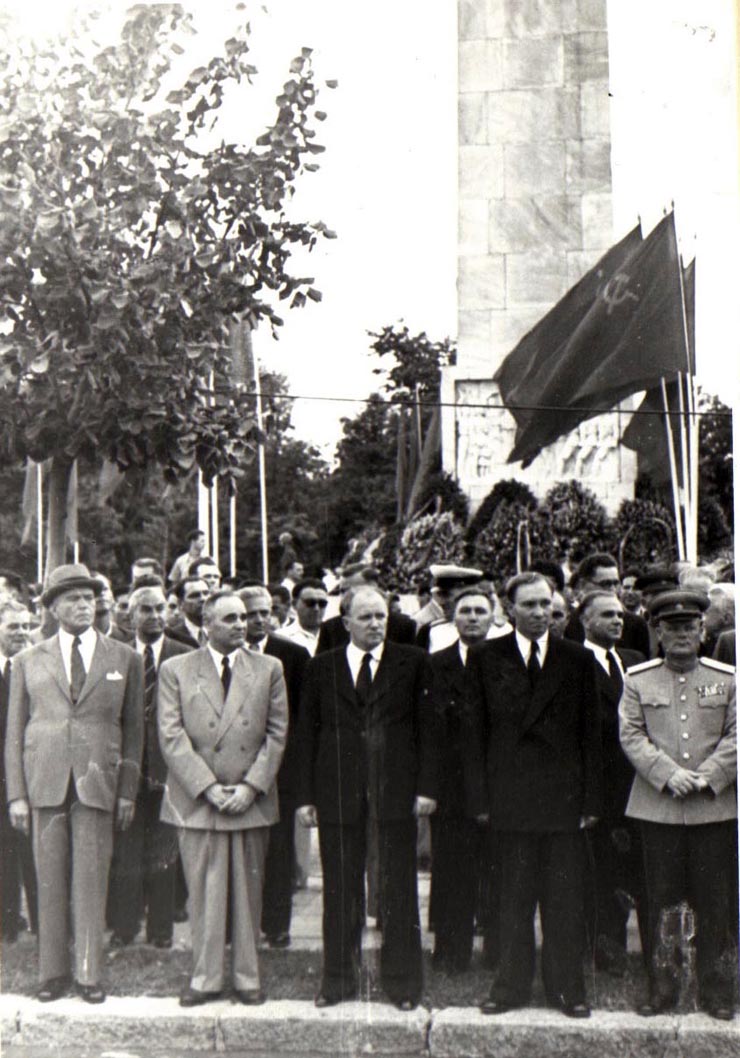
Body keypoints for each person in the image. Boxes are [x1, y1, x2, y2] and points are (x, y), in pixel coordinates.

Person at [5, 564, 143, 1004]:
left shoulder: (124, 657)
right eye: (72, 599)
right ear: (51, 608)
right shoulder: (29, 660)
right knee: (48, 881)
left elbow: (134, 732)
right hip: (44, 782)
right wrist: (16, 796)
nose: (84, 605)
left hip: (97, 783)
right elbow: (13, 733)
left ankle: (88, 974)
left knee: (90, 878)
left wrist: (126, 790)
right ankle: (52, 974)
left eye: (89, 598)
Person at [465, 572, 601, 1018]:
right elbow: (474, 735)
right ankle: (510, 987)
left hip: (563, 803)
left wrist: (590, 803)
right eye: (530, 605)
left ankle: (567, 989)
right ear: (509, 610)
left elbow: (592, 736)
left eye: (546, 604)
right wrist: (480, 800)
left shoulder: (577, 659)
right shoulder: (486, 657)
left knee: (564, 901)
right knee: (512, 901)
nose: (541, 613)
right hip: (510, 801)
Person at [296, 585, 437, 1009]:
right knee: (340, 891)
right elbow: (307, 735)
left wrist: (426, 788)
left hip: (394, 792)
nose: (376, 624)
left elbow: (429, 731)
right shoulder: (321, 669)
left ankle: (402, 984)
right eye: (367, 617)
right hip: (338, 793)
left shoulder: (412, 663)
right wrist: (305, 798)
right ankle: (338, 979)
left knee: (397, 891)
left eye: (382, 616)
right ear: (346, 622)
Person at [158, 590, 288, 1006]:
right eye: (230, 618)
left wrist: (251, 786)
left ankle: (248, 977)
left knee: (249, 894)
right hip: (198, 799)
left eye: (244, 618)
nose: (241, 624)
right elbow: (171, 735)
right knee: (204, 892)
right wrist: (208, 786)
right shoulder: (176, 670)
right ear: (207, 624)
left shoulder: (269, 668)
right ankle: (205, 978)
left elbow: (277, 733)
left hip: (250, 798)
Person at [619, 589, 737, 1021]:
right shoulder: (639, 679)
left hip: (714, 807)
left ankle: (717, 989)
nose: (682, 635)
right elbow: (631, 734)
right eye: (672, 628)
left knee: (715, 901)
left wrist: (707, 776)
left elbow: (737, 735)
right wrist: (669, 774)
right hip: (659, 807)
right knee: (661, 900)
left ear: (702, 631)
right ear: (658, 633)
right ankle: (663, 986)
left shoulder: (728, 678)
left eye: (690, 627)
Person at [106, 585, 191, 948]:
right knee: (125, 850)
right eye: (146, 610)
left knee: (164, 852)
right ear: (131, 614)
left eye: (160, 609)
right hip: (126, 769)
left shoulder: (185, 655)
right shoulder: (117, 656)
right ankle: (125, 928)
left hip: (168, 769)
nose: (155, 616)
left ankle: (161, 931)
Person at [238, 585, 310, 948]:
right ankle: (239, 924)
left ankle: (277, 924)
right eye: (251, 614)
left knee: (279, 851)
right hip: (234, 770)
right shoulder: (227, 655)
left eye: (265, 612)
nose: (259, 619)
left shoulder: (293, 656)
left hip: (280, 771)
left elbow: (302, 718)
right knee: (239, 850)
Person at [579, 590, 646, 973]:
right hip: (601, 786)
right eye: (607, 615)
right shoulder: (574, 662)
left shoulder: (635, 662)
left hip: (637, 782)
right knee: (602, 874)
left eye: (620, 615)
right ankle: (607, 951)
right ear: (586, 620)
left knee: (632, 871)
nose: (617, 621)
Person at [429, 588, 493, 973]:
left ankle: (497, 951)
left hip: (496, 784)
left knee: (497, 870)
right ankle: (451, 950)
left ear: (492, 617)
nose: (472, 618)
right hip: (451, 787)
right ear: (454, 618)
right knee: (452, 870)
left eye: (480, 611)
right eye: (465, 611)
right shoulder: (435, 665)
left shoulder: (506, 662)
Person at [0, 597, 37, 943]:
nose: (22, 633)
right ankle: (7, 925)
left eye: (27, 626)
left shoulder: (36, 665)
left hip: (31, 775)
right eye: (14, 626)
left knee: (34, 853)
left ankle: (43, 925)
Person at [565, 553, 650, 657]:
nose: (612, 590)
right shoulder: (567, 623)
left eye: (616, 583)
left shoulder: (635, 625)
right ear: (583, 585)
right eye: (605, 584)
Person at [316, 565, 416, 653]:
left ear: (373, 587)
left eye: (347, 590)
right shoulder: (330, 629)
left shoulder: (404, 626)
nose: (343, 596)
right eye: (341, 591)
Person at [277, 578, 327, 656]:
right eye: (310, 603)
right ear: (294, 604)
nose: (316, 609)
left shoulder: (337, 637)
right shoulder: (281, 638)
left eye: (322, 603)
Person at [166, 576, 209, 648]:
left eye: (206, 593)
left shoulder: (221, 631)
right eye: (194, 595)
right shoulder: (172, 636)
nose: (203, 599)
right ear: (180, 603)